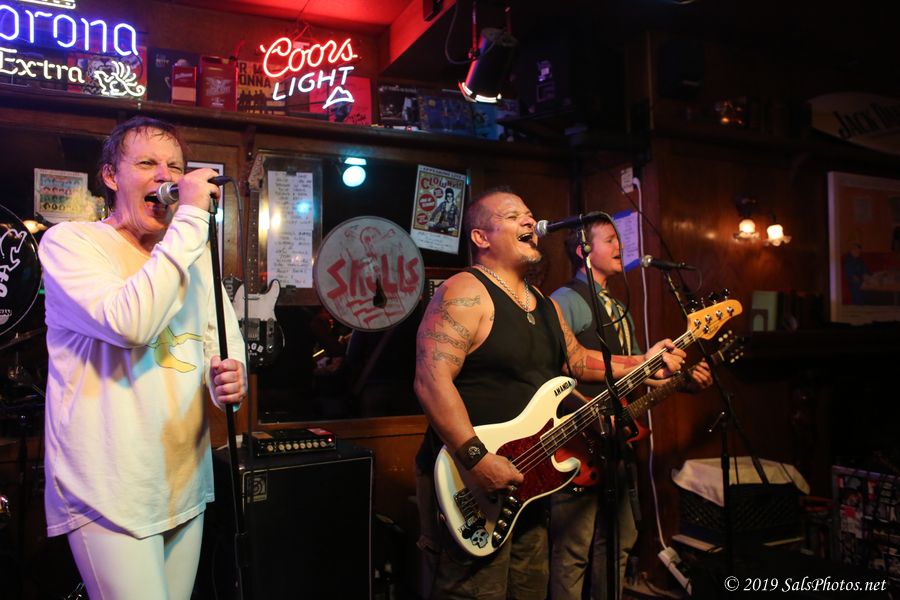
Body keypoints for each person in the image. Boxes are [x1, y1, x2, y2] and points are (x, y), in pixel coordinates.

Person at [413, 188, 686, 600]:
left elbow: (577, 361)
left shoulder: (544, 304)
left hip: (527, 479)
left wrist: (643, 363)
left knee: (530, 588)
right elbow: (431, 380)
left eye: (529, 213)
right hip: (467, 478)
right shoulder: (464, 291)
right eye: (512, 216)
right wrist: (477, 459)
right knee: (475, 592)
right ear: (481, 237)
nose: (529, 221)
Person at [39, 116, 247, 600]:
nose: (165, 176)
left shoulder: (192, 255)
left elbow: (222, 340)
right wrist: (191, 219)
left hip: (182, 481)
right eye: (148, 163)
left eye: (175, 166)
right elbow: (130, 324)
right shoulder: (72, 244)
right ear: (111, 176)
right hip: (108, 488)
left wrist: (230, 376)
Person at [548, 216, 712, 600]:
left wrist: (682, 380)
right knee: (573, 551)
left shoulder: (619, 308)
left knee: (619, 541)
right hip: (577, 443)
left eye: (618, 239)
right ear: (583, 251)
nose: (619, 246)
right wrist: (588, 412)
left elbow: (638, 373)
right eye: (609, 240)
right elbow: (554, 368)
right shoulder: (566, 300)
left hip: (615, 443)